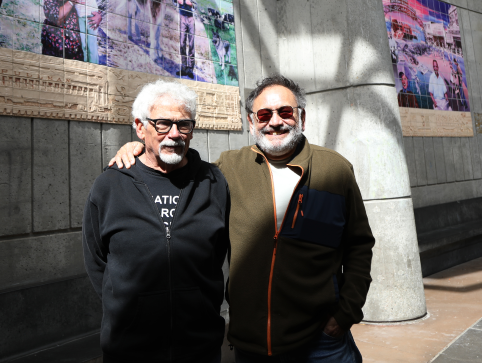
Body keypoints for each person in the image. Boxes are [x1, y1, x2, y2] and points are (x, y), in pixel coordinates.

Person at [110, 75, 374, 362]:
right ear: (251, 123)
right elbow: (181, 163)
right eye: (264, 115)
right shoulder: (227, 168)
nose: (275, 122)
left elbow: (359, 245)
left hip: (322, 343)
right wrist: (139, 149)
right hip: (253, 343)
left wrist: (346, 313)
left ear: (302, 118)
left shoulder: (335, 170)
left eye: (285, 112)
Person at [83, 81, 229, 363]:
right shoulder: (110, 185)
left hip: (199, 348)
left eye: (183, 124)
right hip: (130, 349)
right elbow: (96, 260)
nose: (174, 134)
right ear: (140, 128)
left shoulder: (214, 182)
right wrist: (130, 308)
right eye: (162, 124)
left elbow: (218, 252)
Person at [177, 0, 196, 79]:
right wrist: (177, 0)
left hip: (190, 18)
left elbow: (196, 5)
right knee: (182, 42)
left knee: (191, 43)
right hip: (182, 17)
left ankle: (190, 69)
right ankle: (184, 68)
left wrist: (191, 4)